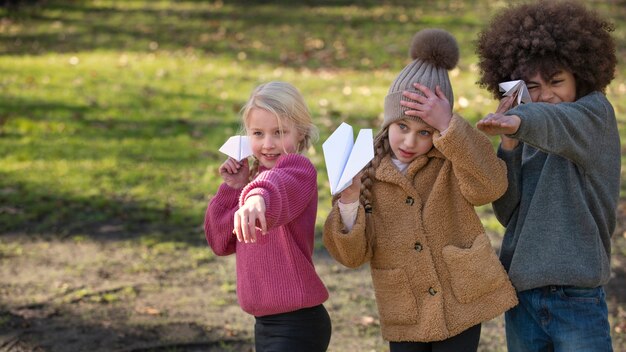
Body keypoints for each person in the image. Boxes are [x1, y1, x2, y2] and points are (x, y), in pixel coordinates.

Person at [323, 28, 518, 352]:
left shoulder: (453, 156)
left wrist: (450, 127)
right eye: (402, 127)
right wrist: (349, 201)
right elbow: (351, 256)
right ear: (388, 123)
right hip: (405, 307)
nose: (411, 142)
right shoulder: (362, 168)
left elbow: (491, 186)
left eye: (425, 131)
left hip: (462, 301)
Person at [475, 1, 619, 351]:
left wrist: (520, 121)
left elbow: (554, 122)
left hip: (578, 299)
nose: (546, 96)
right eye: (532, 87)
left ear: (581, 75)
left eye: (556, 81)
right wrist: (508, 144)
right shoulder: (524, 133)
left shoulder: (593, 116)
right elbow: (508, 213)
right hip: (522, 297)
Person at [204, 81, 331, 352]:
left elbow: (278, 187)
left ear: (300, 133)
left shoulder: (299, 170)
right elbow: (218, 241)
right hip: (264, 324)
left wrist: (256, 197)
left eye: (280, 132)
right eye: (258, 133)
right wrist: (233, 188)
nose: (268, 144)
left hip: (298, 323)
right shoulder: (252, 181)